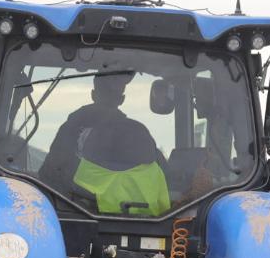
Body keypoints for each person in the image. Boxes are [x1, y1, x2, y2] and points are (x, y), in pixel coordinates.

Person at [37, 71, 172, 217]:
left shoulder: (71, 131)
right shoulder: (140, 136)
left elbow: (48, 179)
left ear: (93, 95)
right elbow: (169, 188)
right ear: (122, 99)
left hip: (78, 220)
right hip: (152, 224)